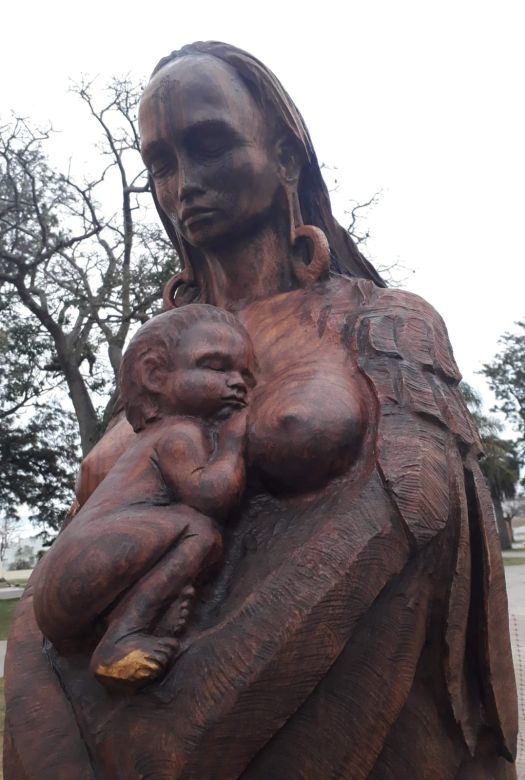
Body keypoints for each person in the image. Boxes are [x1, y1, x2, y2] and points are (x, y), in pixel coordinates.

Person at [4, 42, 518, 779]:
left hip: (326, 716)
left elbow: (420, 510)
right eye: (159, 163)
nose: (183, 184)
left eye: (208, 143)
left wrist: (200, 718)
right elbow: (65, 565)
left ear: (284, 155)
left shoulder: (379, 320)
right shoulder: (159, 355)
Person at [33, 304, 256, 690]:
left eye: (244, 375)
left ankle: (130, 613)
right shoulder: (179, 434)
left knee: (191, 532)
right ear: (154, 375)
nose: (237, 383)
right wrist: (235, 442)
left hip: (63, 588)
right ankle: (120, 639)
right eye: (217, 367)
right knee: (199, 532)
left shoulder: (153, 439)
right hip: (78, 573)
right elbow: (212, 496)